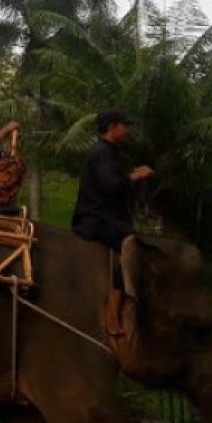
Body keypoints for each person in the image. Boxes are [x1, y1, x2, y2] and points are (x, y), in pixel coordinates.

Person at [71, 108, 154, 334]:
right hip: (95, 218)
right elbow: (112, 187)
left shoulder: (109, 153)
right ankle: (112, 309)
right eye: (123, 126)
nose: (126, 131)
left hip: (105, 217)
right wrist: (135, 176)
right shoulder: (101, 153)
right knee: (132, 243)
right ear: (112, 127)